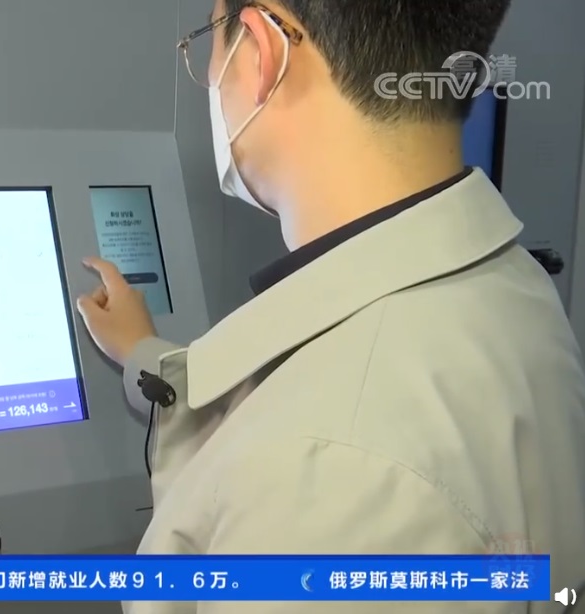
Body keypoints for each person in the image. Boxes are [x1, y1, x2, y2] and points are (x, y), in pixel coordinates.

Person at [75, 0, 585, 612]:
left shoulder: (325, 469)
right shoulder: (512, 286)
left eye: (209, 41)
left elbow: (330, 428)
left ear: (262, 50)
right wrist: (146, 356)